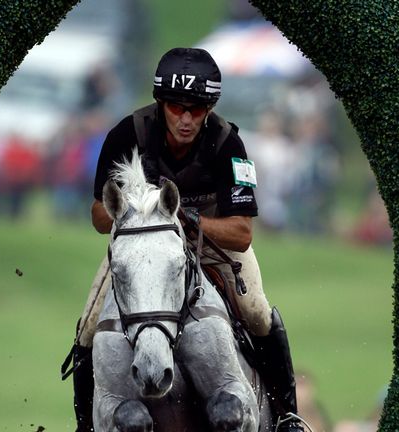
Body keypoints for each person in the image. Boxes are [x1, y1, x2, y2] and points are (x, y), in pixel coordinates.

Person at [65, 47, 307, 432]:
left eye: (197, 108)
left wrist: (186, 218)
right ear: (161, 103)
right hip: (143, 242)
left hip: (214, 245)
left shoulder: (230, 144)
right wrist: (135, 206)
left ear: (209, 108)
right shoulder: (127, 134)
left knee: (258, 312)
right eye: (177, 107)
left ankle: (287, 414)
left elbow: (242, 234)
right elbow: (98, 216)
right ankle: (84, 425)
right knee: (90, 327)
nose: (187, 118)